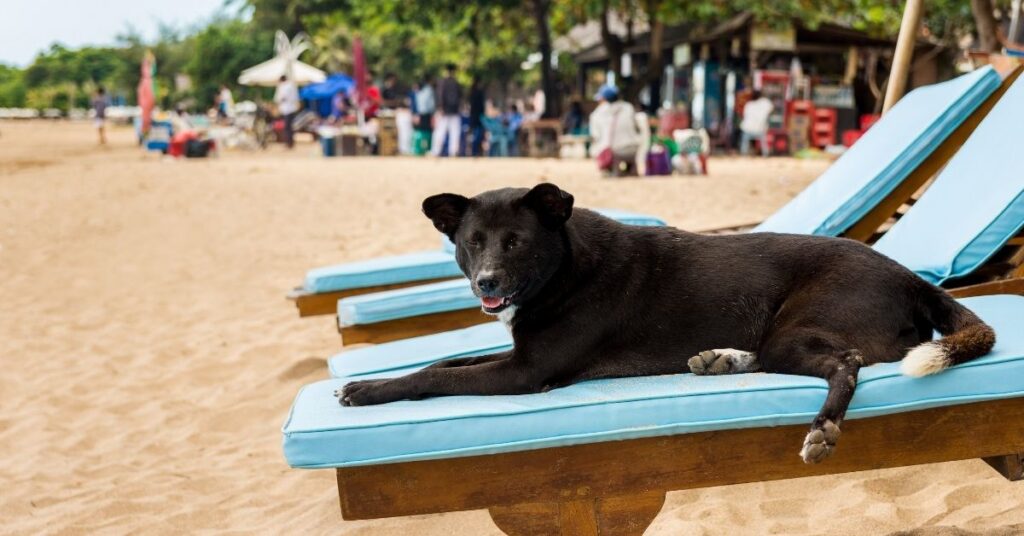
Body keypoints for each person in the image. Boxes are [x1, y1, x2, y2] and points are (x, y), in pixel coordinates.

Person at [588, 85, 642, 175]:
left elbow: (595, 136)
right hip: (633, 149)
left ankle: (608, 169)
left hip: (613, 151)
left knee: (596, 146)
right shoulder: (628, 107)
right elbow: (636, 127)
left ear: (604, 98)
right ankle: (630, 168)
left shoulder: (597, 113)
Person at [432, 63, 463, 157]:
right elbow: (460, 97)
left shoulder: (442, 82)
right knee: (455, 132)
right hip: (454, 110)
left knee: (440, 131)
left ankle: (436, 151)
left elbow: (440, 95)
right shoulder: (457, 83)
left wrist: (440, 107)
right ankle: (453, 152)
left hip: (444, 111)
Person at [739, 89, 773, 157]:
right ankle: (765, 154)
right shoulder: (765, 103)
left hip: (747, 129)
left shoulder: (749, 105)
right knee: (763, 139)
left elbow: (745, 116)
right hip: (760, 129)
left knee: (744, 138)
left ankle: (743, 153)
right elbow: (771, 109)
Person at [274, 74, 300, 149]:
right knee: (290, 127)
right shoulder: (292, 86)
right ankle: (290, 142)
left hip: (287, 109)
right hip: (291, 109)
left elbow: (281, 98)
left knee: (287, 127)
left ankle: (288, 143)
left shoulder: (284, 87)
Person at [414, 77, 436, 155]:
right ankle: (425, 148)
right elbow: (431, 104)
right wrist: (433, 113)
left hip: (420, 113)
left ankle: (420, 149)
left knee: (421, 131)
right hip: (427, 114)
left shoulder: (419, 91)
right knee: (426, 132)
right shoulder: (429, 90)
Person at [468, 78, 486, 156]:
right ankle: (476, 151)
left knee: (475, 135)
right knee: (477, 135)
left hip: (474, 117)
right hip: (478, 117)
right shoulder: (478, 93)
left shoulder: (472, 93)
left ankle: (475, 151)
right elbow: (481, 106)